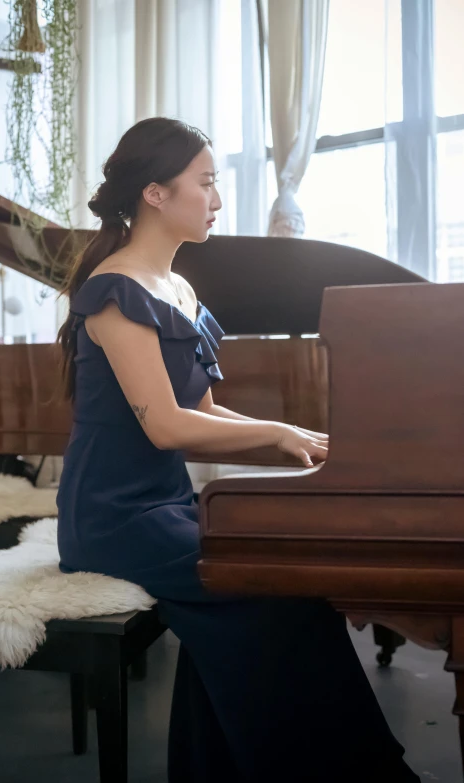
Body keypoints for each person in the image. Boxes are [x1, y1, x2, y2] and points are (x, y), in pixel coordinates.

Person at [56, 117, 419, 782]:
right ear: (156, 194)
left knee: (288, 586)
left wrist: (299, 443)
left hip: (168, 504)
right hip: (112, 518)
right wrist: (279, 433)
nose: (218, 198)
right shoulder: (114, 291)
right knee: (275, 591)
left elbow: (206, 413)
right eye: (207, 182)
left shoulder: (180, 291)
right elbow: (167, 426)